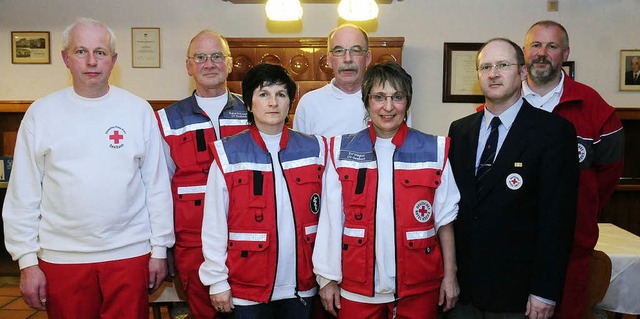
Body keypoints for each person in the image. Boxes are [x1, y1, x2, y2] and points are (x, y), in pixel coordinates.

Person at [2, 17, 174, 318]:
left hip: (129, 253)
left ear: (114, 60)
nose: (91, 61)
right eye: (81, 51)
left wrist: (159, 250)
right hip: (62, 257)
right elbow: (23, 194)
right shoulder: (40, 114)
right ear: (66, 58)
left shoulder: (138, 111)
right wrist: (27, 261)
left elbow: (157, 187)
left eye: (101, 52)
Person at [313, 61, 460, 319]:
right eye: (379, 97)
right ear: (367, 101)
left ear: (408, 102)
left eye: (397, 97)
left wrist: (450, 276)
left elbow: (445, 221)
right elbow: (330, 220)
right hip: (357, 288)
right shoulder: (340, 151)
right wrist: (326, 279)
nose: (388, 107)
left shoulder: (434, 150)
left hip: (419, 287)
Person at [446, 38, 578, 319]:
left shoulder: (553, 132)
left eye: (503, 65)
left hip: (520, 295)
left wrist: (545, 290)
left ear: (521, 72)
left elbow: (558, 220)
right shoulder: (460, 131)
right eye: (486, 67)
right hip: (464, 293)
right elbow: (454, 208)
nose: (493, 73)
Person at [199, 63, 327, 319]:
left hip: (301, 288)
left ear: (290, 101)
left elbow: (327, 220)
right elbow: (214, 224)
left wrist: (326, 276)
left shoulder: (315, 148)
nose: (273, 102)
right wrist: (217, 281)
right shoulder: (228, 153)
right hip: (246, 290)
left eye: (281, 94)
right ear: (249, 104)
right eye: (264, 94)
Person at [522, 20, 625, 319]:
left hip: (572, 250)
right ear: (525, 51)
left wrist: (579, 207)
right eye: (536, 45)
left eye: (552, 46)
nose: (543, 53)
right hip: (513, 250)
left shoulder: (594, 107)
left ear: (565, 53)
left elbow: (608, 176)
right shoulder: (503, 103)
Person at [155, 30, 249, 319]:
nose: (210, 64)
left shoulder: (254, 111)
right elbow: (159, 188)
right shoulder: (166, 120)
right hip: (192, 242)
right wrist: (164, 246)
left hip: (248, 239)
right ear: (188, 66)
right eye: (201, 57)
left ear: (230, 63)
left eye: (217, 56)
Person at [293, 24, 370, 136]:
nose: (348, 59)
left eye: (356, 50)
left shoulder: (385, 102)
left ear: (367, 58)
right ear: (329, 59)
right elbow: (299, 151)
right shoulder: (309, 103)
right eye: (339, 51)